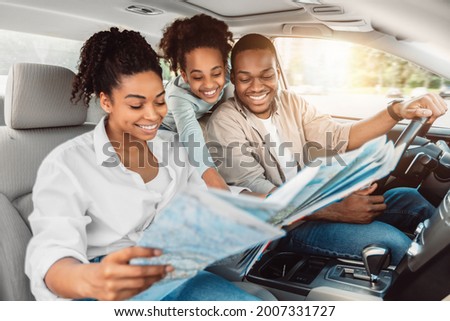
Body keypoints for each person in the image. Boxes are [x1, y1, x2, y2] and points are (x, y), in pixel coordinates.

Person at [24, 27, 261, 301]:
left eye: (160, 101)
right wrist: (90, 280)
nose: (153, 115)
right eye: (136, 106)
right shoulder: (67, 163)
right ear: (106, 101)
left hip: (175, 273)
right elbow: (52, 253)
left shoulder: (172, 146)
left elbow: (210, 197)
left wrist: (278, 202)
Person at [207, 33, 447, 265]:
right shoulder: (224, 123)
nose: (256, 87)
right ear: (233, 78)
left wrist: (397, 111)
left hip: (317, 201)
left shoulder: (291, 102)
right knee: (395, 245)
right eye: (245, 78)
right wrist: (334, 210)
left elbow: (341, 137)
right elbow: (262, 199)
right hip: (285, 228)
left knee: (410, 200)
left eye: (266, 75)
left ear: (278, 73)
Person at [159, 14, 233, 190]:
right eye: (198, 77)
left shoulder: (229, 76)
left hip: (197, 119)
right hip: (166, 128)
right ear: (184, 75)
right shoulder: (177, 96)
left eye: (216, 74)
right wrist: (213, 179)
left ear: (225, 67)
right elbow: (190, 135)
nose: (208, 84)